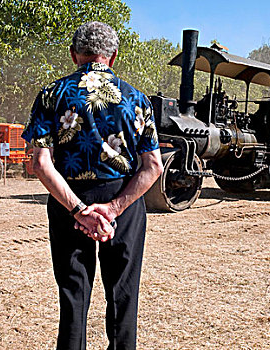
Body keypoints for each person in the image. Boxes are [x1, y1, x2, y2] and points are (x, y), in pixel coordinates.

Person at [21, 21, 163, 350]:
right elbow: (153, 166)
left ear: (74, 55)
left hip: (67, 201)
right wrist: (112, 209)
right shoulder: (138, 99)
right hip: (123, 205)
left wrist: (80, 210)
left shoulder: (51, 95)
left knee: (73, 295)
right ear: (113, 57)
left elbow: (41, 163)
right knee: (123, 295)